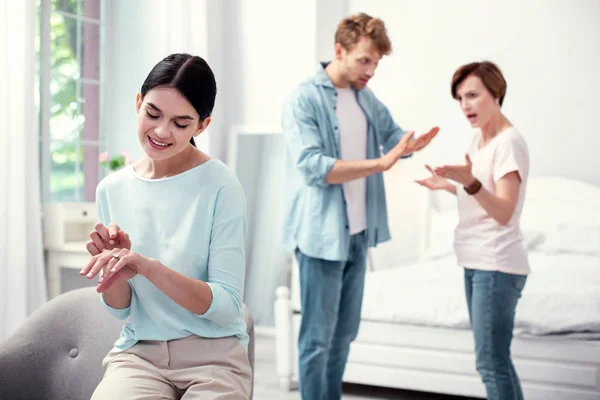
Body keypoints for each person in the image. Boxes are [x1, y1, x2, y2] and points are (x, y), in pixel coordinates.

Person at [281, 13, 439, 400]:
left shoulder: (365, 97)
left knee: (344, 336)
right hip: (320, 236)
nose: (371, 70)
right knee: (317, 339)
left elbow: (391, 136)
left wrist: (408, 145)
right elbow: (313, 167)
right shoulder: (303, 99)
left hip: (357, 231)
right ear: (339, 51)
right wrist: (380, 164)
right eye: (364, 60)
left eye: (377, 62)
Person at [80, 53, 252, 399]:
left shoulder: (220, 185)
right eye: (153, 114)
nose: (161, 131)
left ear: (201, 126)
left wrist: (147, 266)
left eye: (180, 123)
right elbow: (121, 308)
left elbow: (227, 306)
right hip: (141, 355)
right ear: (138, 102)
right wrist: (115, 270)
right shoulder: (111, 189)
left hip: (214, 356)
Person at [416, 61, 529, 400]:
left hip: (496, 264)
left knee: (491, 363)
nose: (465, 105)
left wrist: (470, 181)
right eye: (460, 98)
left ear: (496, 94)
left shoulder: (509, 142)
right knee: (494, 361)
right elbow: (483, 196)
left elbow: (505, 212)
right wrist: (451, 186)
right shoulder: (480, 140)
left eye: (473, 95)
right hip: (476, 261)